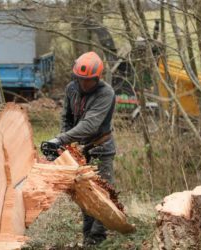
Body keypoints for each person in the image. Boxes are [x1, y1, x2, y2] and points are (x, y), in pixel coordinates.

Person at [46, 51, 116, 246]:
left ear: (97, 78)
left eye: (89, 81)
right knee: (85, 194)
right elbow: (67, 118)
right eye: (81, 80)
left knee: (102, 194)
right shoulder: (71, 88)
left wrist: (60, 139)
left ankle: (98, 237)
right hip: (82, 149)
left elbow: (90, 125)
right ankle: (88, 236)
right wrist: (64, 143)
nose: (84, 84)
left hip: (101, 148)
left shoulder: (106, 93)